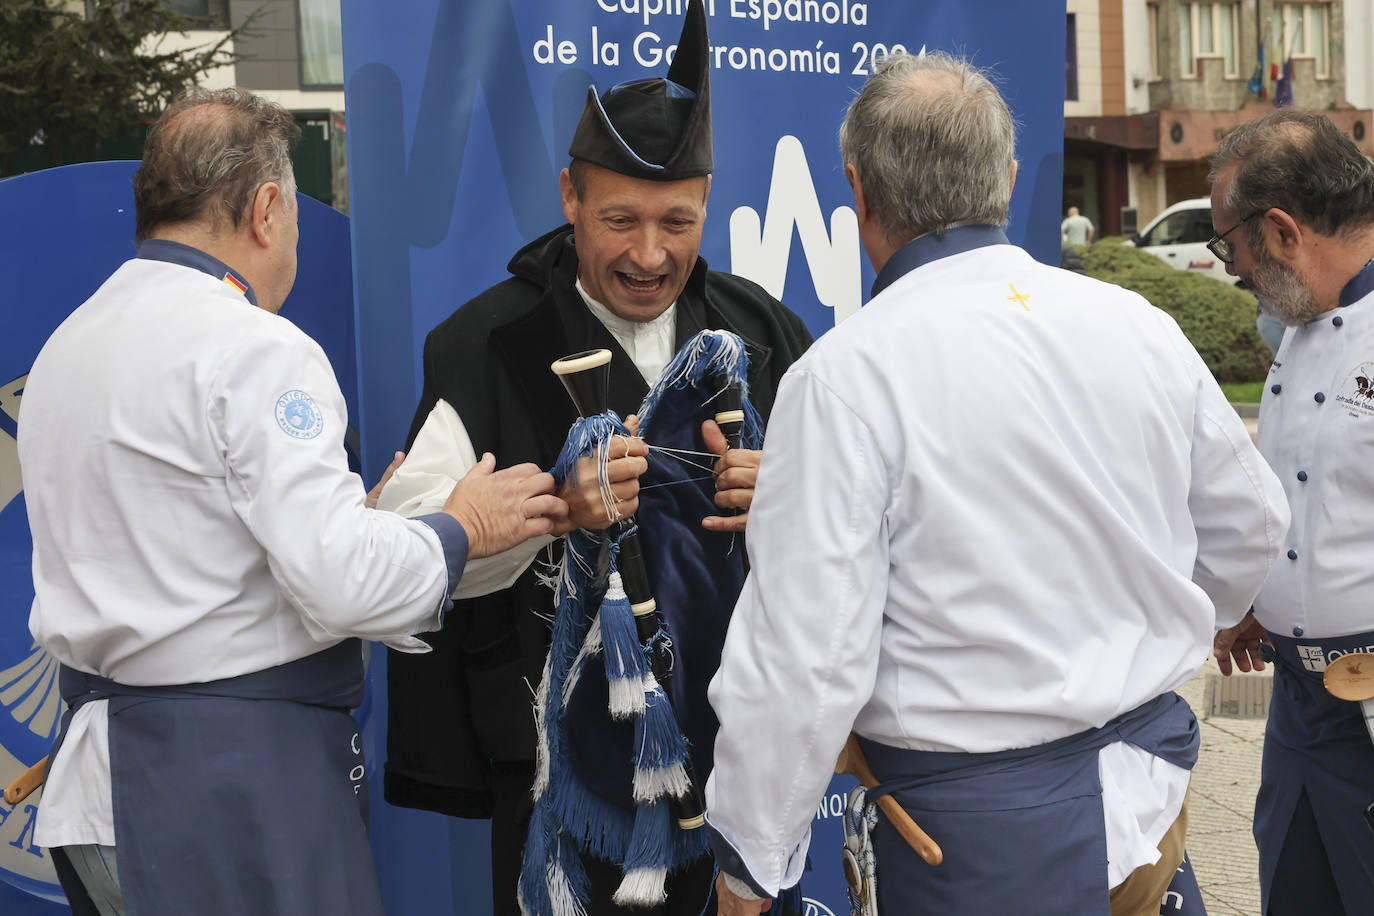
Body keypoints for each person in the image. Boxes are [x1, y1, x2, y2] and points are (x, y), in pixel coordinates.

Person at [705, 52, 1289, 916]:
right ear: (1010, 182)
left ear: (859, 194)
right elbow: (1250, 525)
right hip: (1145, 807)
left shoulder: (847, 378)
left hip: (979, 837)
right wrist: (1135, 626)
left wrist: (750, 864)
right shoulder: (1136, 326)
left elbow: (806, 660)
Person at [17, 87, 567, 916]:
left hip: (100, 787)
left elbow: (205, 549)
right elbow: (339, 581)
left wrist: (366, 524)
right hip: (226, 787)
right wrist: (463, 526)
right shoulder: (256, 347)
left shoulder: (70, 344)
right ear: (268, 208)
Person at [376, 1, 812, 912]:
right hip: (559, 796)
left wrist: (795, 495)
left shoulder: (765, 334)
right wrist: (554, 513)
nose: (651, 255)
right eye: (620, 218)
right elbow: (396, 554)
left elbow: (858, 532)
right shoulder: (487, 344)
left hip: (739, 776)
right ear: (569, 196)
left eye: (677, 222)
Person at [1208, 109, 1374, 916]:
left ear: (1278, 230)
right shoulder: (1303, 324)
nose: (1230, 269)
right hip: (1300, 712)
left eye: (1226, 245)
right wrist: (1262, 601)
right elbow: (1310, 496)